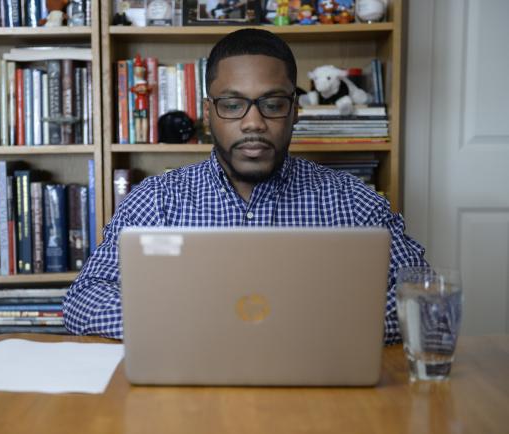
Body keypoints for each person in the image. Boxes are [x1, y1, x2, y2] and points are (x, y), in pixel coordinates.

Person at [63, 28, 427, 344]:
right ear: (209, 114)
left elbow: (422, 297)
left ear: (295, 110)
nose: (253, 122)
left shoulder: (353, 202)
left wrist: (316, 327)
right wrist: (193, 325)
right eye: (233, 104)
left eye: (272, 104)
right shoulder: (155, 202)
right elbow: (85, 299)